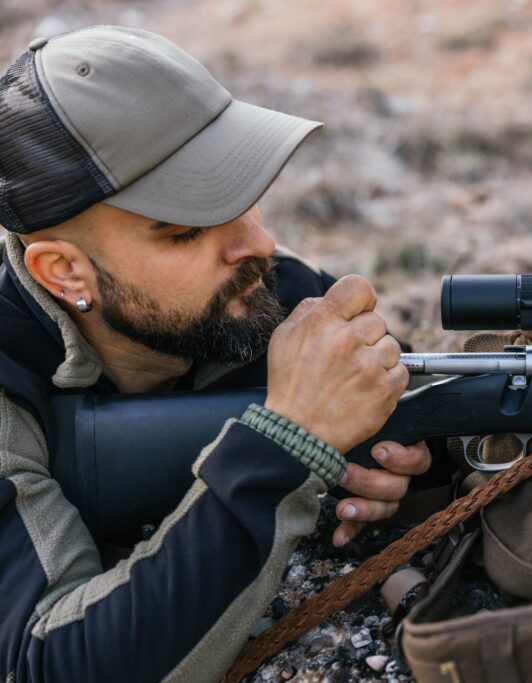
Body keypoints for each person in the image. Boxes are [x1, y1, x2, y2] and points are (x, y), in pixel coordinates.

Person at [0, 25, 431, 681]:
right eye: (187, 230)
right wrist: (287, 443)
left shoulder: (256, 291)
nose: (256, 244)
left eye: (243, 190)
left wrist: (407, 461)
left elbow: (430, 410)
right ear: (64, 273)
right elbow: (50, 666)